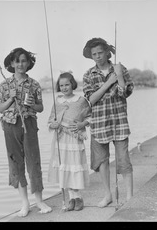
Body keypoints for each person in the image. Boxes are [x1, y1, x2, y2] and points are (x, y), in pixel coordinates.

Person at [0, 47, 52, 217]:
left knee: (33, 162)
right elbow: (0, 108)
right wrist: (11, 98)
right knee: (16, 163)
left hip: (29, 123)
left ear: (29, 63)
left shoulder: (34, 84)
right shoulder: (5, 84)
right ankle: (25, 203)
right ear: (11, 63)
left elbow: (40, 108)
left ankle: (39, 201)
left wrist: (32, 104)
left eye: (24, 61)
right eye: (17, 61)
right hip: (10, 125)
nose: (21, 64)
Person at [82, 38, 134, 208]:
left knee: (123, 159)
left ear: (107, 52)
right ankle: (107, 195)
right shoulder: (88, 74)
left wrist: (118, 76)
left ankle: (129, 196)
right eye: (94, 54)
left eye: (100, 53)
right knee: (102, 161)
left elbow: (125, 93)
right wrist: (109, 82)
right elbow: (91, 99)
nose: (97, 56)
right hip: (99, 123)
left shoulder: (120, 69)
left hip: (119, 122)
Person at [47, 72, 91, 211]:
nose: (64, 87)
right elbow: (51, 119)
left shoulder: (81, 100)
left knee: (75, 165)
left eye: (67, 84)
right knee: (64, 166)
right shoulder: (57, 101)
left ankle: (78, 197)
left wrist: (81, 124)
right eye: (61, 85)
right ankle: (71, 197)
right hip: (61, 140)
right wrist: (53, 124)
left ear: (72, 84)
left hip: (74, 138)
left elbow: (90, 117)